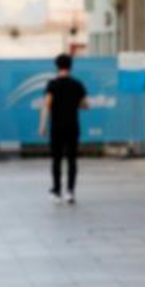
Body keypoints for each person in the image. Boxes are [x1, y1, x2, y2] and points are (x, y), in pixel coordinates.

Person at [38, 54, 88, 204]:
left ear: (57, 66)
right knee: (72, 159)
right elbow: (85, 105)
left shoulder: (52, 85)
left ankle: (57, 190)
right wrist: (74, 104)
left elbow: (46, 105)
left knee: (56, 159)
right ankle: (70, 192)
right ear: (70, 66)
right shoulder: (77, 84)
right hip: (73, 126)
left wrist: (42, 126)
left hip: (57, 128)